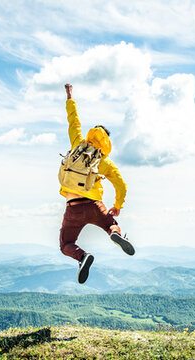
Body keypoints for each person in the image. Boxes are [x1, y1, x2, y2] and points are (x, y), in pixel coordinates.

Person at [59, 83, 134, 284]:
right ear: (107, 143)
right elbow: (121, 185)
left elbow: (73, 120)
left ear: (92, 134)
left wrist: (70, 96)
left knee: (66, 243)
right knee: (110, 224)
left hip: (73, 208)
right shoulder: (105, 162)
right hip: (94, 206)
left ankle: (83, 257)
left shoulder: (78, 144)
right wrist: (117, 206)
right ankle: (116, 234)